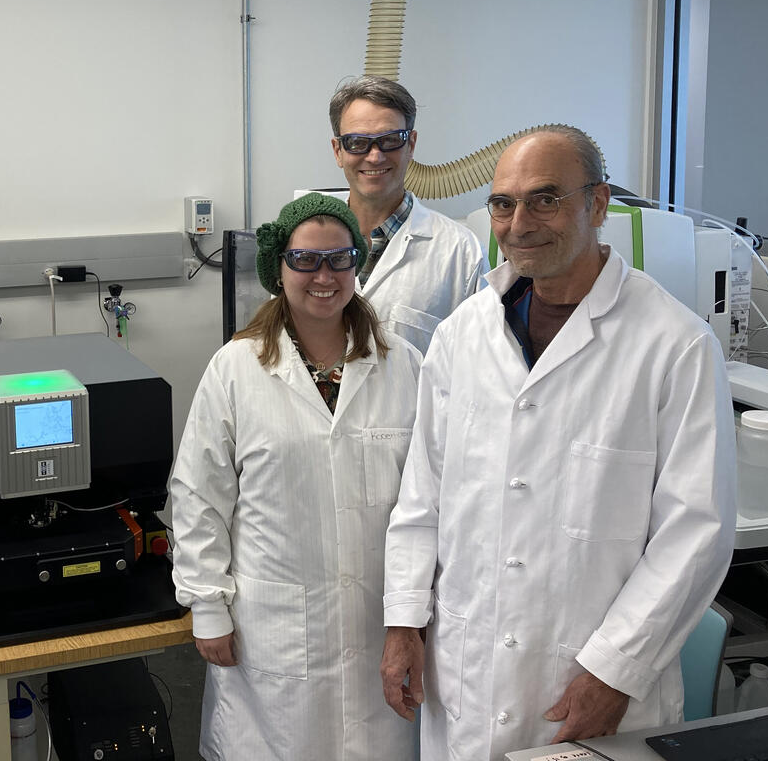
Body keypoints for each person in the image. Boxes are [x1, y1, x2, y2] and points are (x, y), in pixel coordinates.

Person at [381, 126, 736, 759]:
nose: (519, 223)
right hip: (467, 672)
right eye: (503, 204)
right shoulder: (463, 334)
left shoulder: (672, 345)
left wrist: (615, 671)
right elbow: (422, 493)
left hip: (589, 682)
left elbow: (697, 533)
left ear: (597, 205)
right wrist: (404, 619)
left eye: (545, 199)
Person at [170, 193, 423, 761]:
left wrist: (417, 610)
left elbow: (425, 501)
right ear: (277, 268)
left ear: (357, 264)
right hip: (272, 628)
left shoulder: (403, 364)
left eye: (339, 259)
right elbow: (197, 495)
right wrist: (207, 605)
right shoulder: (236, 367)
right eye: (305, 260)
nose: (323, 276)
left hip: (378, 621)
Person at [329, 76, 485, 354]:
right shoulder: (302, 246)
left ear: (411, 144)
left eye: (390, 140)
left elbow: (480, 363)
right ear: (338, 151)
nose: (375, 156)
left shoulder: (461, 252)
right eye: (356, 142)